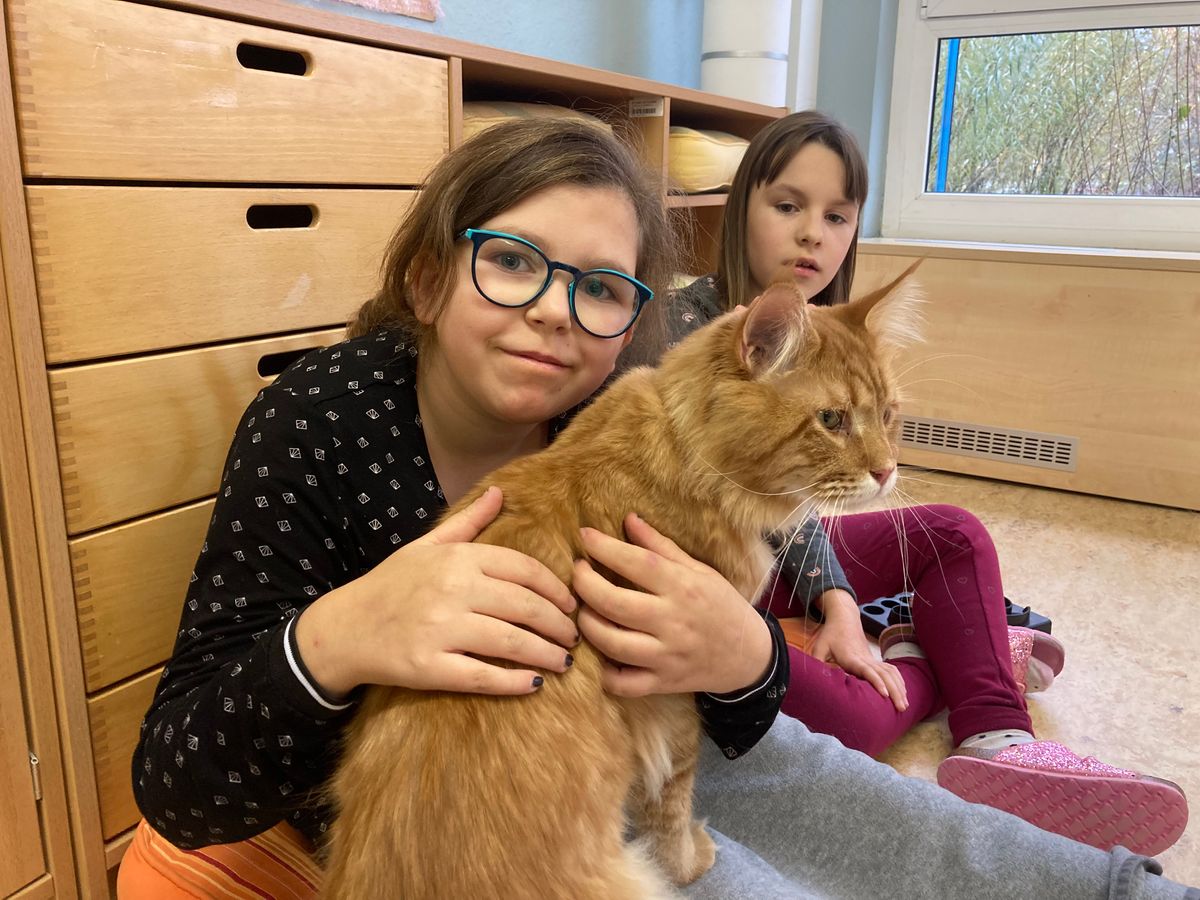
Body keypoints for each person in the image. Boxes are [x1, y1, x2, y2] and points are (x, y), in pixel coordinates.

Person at [119, 118, 1197, 900]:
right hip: (474, 804)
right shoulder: (319, 421)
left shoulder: (612, 402)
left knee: (825, 778)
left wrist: (746, 653)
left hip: (641, 723)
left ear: (633, 314)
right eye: (511, 261)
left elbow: (735, 684)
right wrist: (340, 635)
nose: (556, 312)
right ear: (427, 277)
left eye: (600, 287)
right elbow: (177, 787)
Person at [622, 109, 1190, 856]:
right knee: (858, 718)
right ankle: (947, 654)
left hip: (783, 548)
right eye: (788, 205)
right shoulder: (678, 326)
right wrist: (837, 606)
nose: (812, 235)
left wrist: (839, 607)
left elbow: (803, 503)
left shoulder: (840, 330)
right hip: (700, 573)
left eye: (837, 216)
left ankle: (999, 735)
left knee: (953, 529)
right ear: (739, 208)